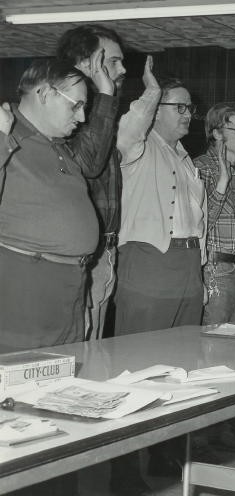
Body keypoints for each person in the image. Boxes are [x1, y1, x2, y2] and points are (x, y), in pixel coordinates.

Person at [0, 59, 115, 353]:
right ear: (45, 93)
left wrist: (106, 94)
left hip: (71, 288)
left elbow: (94, 156)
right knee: (20, 388)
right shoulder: (6, 133)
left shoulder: (58, 145)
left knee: (62, 384)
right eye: (75, 105)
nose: (82, 116)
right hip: (26, 292)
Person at [114, 64, 206, 336]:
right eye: (180, 107)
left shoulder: (186, 158)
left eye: (190, 108)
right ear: (156, 110)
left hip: (190, 266)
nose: (188, 114)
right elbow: (129, 129)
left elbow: (198, 218)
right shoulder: (137, 147)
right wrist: (151, 93)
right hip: (150, 262)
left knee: (184, 354)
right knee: (140, 355)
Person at [57, 24, 127, 340]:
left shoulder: (101, 107)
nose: (123, 69)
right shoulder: (67, 110)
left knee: (93, 346)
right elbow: (88, 164)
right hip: (76, 256)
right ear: (88, 63)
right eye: (113, 61)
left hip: (104, 251)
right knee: (79, 348)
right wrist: (106, 95)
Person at [195, 102, 235, 325]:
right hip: (216, 270)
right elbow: (199, 223)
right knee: (213, 345)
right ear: (217, 133)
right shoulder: (199, 168)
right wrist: (222, 182)